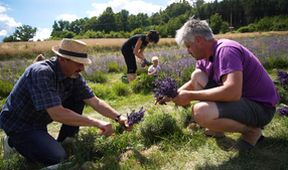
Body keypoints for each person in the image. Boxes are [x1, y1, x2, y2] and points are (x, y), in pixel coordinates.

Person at [0, 39, 129, 165]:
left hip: (39, 121)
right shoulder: (42, 72)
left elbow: (94, 101)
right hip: (20, 124)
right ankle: (12, 142)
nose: (82, 68)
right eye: (78, 63)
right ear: (62, 59)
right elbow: (57, 114)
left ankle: (65, 141)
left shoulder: (73, 75)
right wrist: (97, 123)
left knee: (78, 99)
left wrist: (118, 117)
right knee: (57, 157)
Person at [158, 18, 279, 150]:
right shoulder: (205, 57)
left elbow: (232, 92)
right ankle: (217, 130)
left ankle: (251, 131)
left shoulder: (226, 50)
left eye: (188, 46)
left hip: (260, 108)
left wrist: (190, 96)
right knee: (197, 75)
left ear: (198, 40)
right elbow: (194, 82)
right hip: (242, 102)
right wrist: (171, 94)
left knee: (200, 112)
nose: (188, 51)